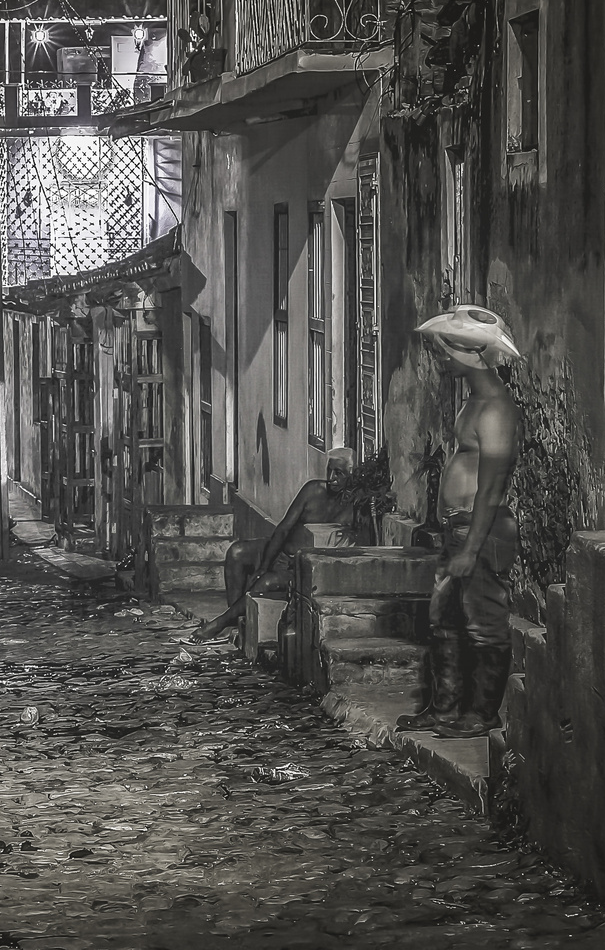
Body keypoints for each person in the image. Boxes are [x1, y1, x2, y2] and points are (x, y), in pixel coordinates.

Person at [397, 305, 523, 740]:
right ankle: (445, 708)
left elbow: (491, 488)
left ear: (469, 353)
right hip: (458, 527)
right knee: (445, 617)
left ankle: (482, 713)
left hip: (479, 530)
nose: (441, 358)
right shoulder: (474, 401)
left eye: (446, 351)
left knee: (483, 621)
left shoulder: (497, 409)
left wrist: (471, 548)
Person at [187, 446, 362, 644]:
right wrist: (263, 566)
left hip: (299, 568)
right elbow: (283, 529)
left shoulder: (355, 508)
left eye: (338, 473)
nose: (331, 478)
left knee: (267, 583)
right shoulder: (313, 490)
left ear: (351, 475)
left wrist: (267, 572)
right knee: (237, 552)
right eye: (329, 470)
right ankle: (237, 621)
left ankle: (220, 623)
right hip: (279, 551)